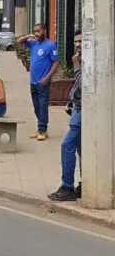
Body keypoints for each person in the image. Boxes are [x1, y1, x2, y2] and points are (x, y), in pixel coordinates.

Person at [49, 31, 82, 202]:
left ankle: (67, 187)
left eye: (81, 41)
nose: (78, 44)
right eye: (76, 41)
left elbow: (84, 83)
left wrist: (76, 65)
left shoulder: (85, 61)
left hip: (83, 110)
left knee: (67, 145)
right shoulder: (80, 58)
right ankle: (85, 183)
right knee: (82, 149)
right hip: (76, 108)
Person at [17, 23, 59, 141]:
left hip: (43, 82)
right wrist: (28, 36)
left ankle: (41, 130)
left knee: (43, 106)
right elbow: (19, 42)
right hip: (33, 81)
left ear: (45, 31)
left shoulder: (50, 45)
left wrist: (47, 77)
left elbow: (56, 63)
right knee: (36, 107)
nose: (36, 33)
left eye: (38, 31)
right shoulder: (34, 43)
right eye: (35, 31)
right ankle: (42, 130)